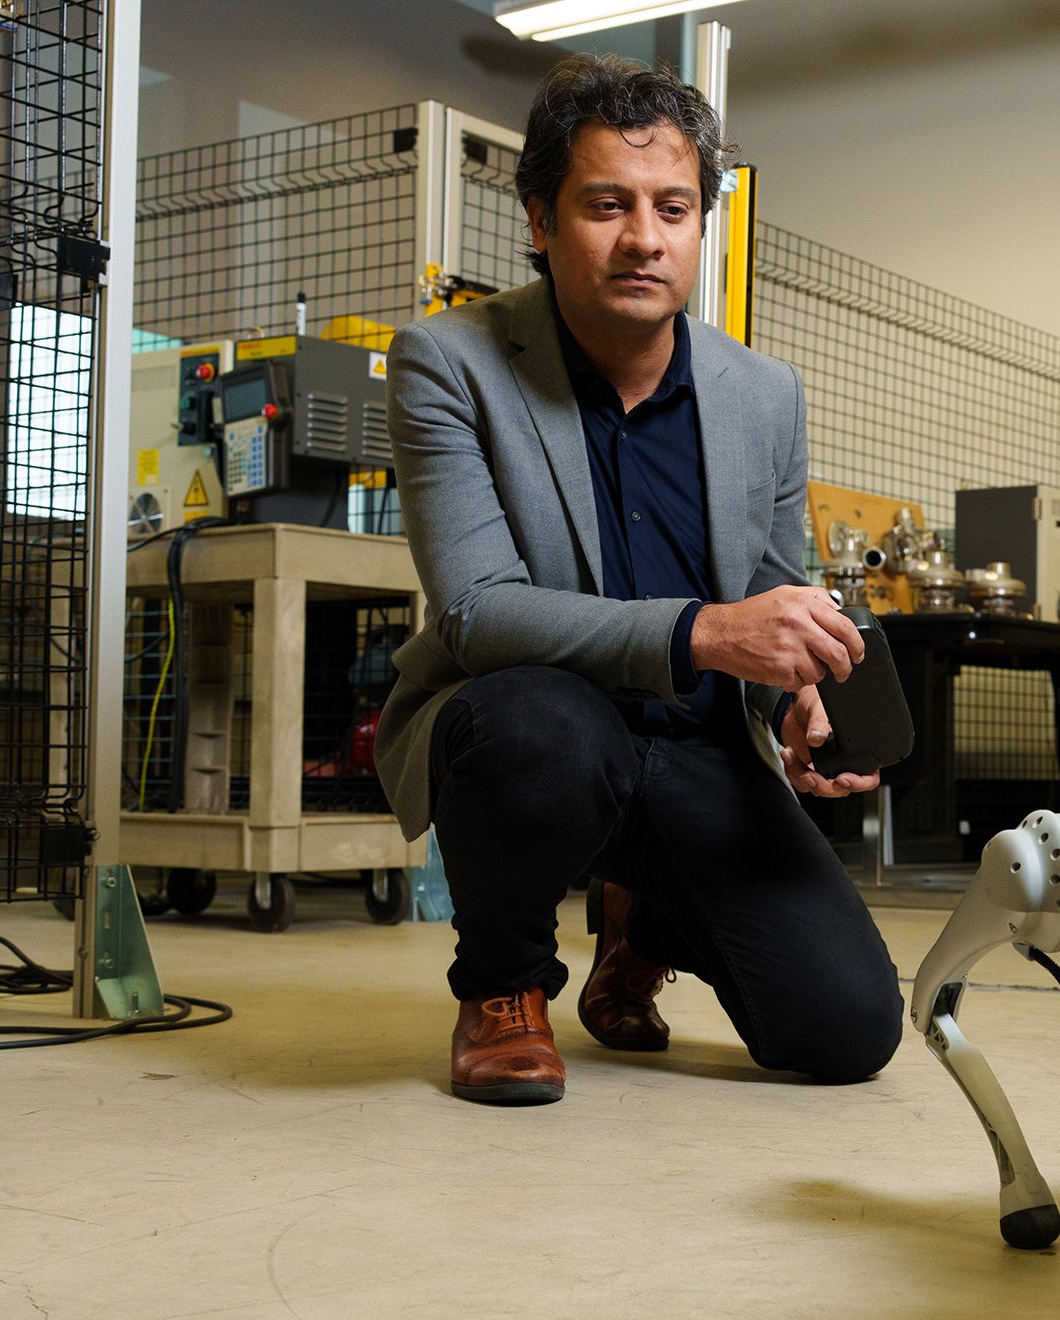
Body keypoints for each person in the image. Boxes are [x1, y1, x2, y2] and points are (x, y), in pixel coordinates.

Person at [374, 54, 902, 1104]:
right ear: (541, 219)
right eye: (606, 205)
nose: (644, 239)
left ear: (702, 223)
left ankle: (641, 928)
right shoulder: (450, 362)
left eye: (673, 207)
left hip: (696, 746)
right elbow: (477, 612)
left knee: (847, 1029)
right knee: (539, 728)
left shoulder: (764, 394)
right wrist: (707, 635)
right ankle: (505, 987)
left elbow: (768, 589)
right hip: (540, 729)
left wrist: (794, 697)